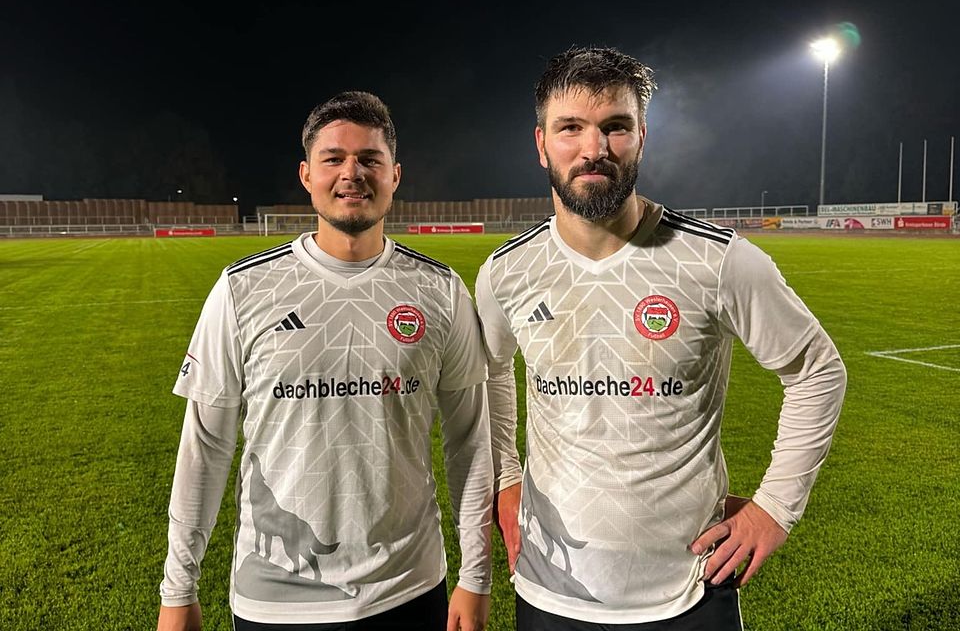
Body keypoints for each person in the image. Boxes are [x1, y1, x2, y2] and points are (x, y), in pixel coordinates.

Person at [476, 47, 847, 630]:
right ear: (542, 143)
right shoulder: (506, 273)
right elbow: (490, 371)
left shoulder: (718, 261)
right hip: (550, 589)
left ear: (641, 138)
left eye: (615, 127)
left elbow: (817, 371)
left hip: (691, 590)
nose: (594, 148)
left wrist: (774, 508)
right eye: (571, 128)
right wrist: (507, 478)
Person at [157, 91, 493, 631]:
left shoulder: (441, 290)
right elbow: (206, 447)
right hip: (275, 600)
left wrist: (475, 575)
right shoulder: (242, 290)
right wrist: (178, 589)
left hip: (408, 588)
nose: (351, 173)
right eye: (333, 158)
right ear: (306, 174)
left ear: (395, 175)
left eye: (369, 159)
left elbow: (469, 443)